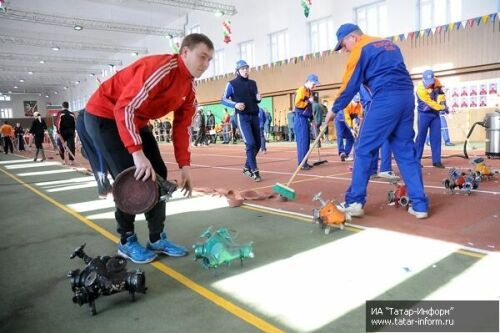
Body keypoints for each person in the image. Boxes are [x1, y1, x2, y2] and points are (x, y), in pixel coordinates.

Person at [84, 33, 214, 264]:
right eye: (202, 57)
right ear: (185, 52)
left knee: (159, 174)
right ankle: (126, 240)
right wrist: (136, 153)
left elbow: (182, 127)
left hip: (135, 119)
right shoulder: (162, 69)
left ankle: (156, 238)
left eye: (210, 60)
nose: (205, 64)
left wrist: (185, 166)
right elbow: (124, 108)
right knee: (132, 177)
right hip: (104, 115)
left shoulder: (189, 87)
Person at [324, 23, 428, 219]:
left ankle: (355, 202)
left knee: (363, 148)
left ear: (353, 38)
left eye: (344, 45)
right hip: (407, 97)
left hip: (386, 98)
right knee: (406, 151)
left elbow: (349, 85)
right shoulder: (390, 45)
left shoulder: (360, 48)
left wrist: (334, 108)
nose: (344, 50)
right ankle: (420, 205)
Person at [221, 59, 262, 182]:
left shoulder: (253, 83)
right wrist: (235, 104)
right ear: (237, 71)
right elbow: (223, 99)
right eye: (243, 68)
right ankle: (254, 170)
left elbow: (255, 99)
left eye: (247, 68)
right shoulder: (231, 84)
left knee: (258, 144)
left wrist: (258, 99)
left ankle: (246, 167)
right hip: (242, 117)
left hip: (254, 115)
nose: (245, 70)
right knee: (250, 143)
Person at [76, 109, 113, 198]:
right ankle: (103, 189)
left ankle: (105, 187)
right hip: (92, 119)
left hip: (82, 120)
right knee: (101, 154)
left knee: (95, 157)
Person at [414, 70, 448, 168]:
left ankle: (436, 161)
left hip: (435, 115)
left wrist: (443, 104)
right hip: (424, 114)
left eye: (431, 80)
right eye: (428, 81)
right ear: (423, 79)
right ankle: (416, 161)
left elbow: (441, 94)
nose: (430, 83)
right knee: (421, 138)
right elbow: (430, 103)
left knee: (436, 137)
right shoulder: (420, 89)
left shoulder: (437, 82)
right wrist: (442, 108)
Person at [294, 74, 320, 170]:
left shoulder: (309, 91)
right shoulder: (301, 90)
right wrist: (308, 102)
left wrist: (311, 116)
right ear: (308, 81)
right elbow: (297, 103)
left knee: (306, 141)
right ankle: (302, 163)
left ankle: (304, 161)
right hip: (300, 118)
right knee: (302, 141)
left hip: (305, 118)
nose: (315, 86)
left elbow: (309, 106)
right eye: (314, 84)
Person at [335, 94, 360, 162]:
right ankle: (341, 152)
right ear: (352, 101)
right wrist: (351, 129)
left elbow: (357, 116)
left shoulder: (358, 105)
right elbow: (347, 119)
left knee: (350, 138)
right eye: (355, 102)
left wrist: (356, 126)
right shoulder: (347, 105)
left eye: (357, 102)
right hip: (340, 120)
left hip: (349, 120)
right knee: (339, 135)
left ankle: (346, 155)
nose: (356, 104)